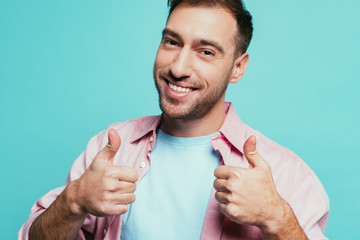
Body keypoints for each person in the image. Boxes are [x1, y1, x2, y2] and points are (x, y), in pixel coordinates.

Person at [19, 0, 330, 239]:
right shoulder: (109, 148)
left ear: (238, 67)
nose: (179, 67)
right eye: (172, 42)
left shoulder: (287, 174)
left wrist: (277, 218)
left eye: (206, 52)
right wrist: (74, 201)